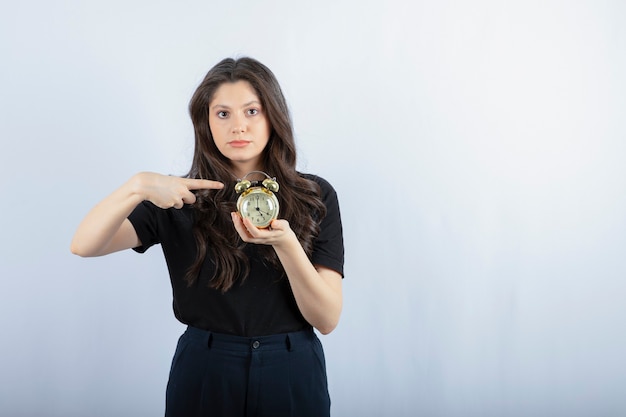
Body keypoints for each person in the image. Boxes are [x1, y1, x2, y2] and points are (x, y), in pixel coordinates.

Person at [70, 57, 344, 417]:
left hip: (291, 368)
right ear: (206, 121)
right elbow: (83, 245)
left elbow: (326, 319)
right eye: (223, 114)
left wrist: (287, 245)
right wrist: (138, 187)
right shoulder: (178, 196)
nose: (238, 126)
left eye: (252, 111)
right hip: (206, 367)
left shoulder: (314, 196)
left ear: (272, 115)